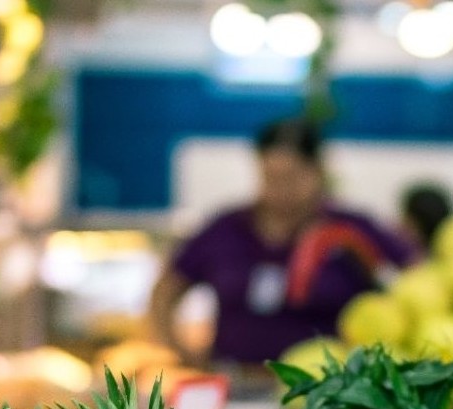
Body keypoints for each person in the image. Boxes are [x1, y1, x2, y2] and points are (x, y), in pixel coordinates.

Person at [147, 117, 417, 369]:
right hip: (234, 383)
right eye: (270, 178)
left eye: (291, 178)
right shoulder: (226, 229)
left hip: (328, 390)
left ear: (319, 172)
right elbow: (166, 290)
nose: (280, 190)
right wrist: (181, 354)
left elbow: (416, 278)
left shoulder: (350, 230)